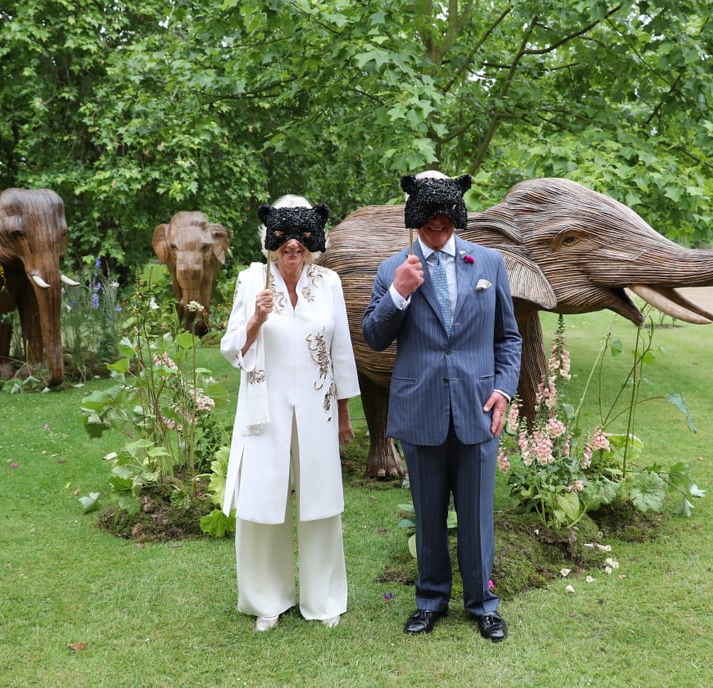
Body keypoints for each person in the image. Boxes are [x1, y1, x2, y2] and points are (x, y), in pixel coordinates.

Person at [362, 172, 522, 642]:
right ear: (415, 221)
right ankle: (430, 601)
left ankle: (483, 604)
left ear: (456, 219)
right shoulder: (395, 266)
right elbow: (374, 336)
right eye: (430, 227)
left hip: (478, 408)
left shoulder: (488, 264)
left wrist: (505, 391)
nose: (438, 233)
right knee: (428, 514)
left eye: (446, 225)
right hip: (421, 408)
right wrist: (400, 292)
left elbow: (507, 338)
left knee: (477, 516)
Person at [220, 196, 360, 632]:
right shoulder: (250, 280)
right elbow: (230, 349)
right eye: (284, 239)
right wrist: (255, 321)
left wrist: (344, 414)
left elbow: (340, 351)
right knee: (263, 502)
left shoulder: (329, 282)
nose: (293, 247)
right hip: (266, 408)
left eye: (302, 239)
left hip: (317, 408)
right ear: (271, 242)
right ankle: (267, 600)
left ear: (313, 241)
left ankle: (324, 598)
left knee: (322, 502)